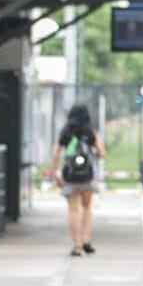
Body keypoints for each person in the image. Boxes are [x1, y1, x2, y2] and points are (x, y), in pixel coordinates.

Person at [50, 103, 106, 256]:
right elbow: (102, 153)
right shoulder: (91, 132)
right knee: (87, 207)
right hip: (87, 176)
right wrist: (94, 151)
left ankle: (77, 245)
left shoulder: (65, 133)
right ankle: (86, 239)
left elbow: (55, 152)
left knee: (73, 209)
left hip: (70, 176)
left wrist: (54, 171)